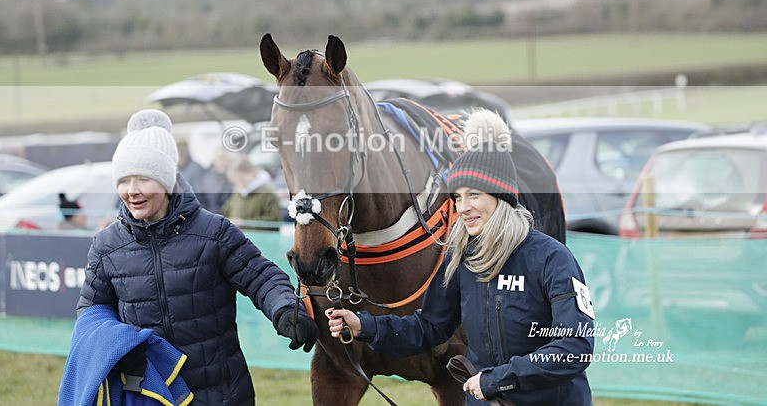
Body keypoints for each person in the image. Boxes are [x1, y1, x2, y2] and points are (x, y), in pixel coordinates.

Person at [327, 109, 594, 405]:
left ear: (501, 196)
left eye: (474, 195)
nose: (462, 207)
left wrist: (498, 380)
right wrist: (364, 325)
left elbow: (576, 346)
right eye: (457, 197)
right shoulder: (460, 260)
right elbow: (428, 328)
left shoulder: (552, 258)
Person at [71, 109, 317, 406]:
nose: (132, 191)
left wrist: (285, 310)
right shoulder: (106, 246)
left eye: (143, 179)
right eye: (123, 181)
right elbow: (91, 310)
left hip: (220, 393)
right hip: (150, 393)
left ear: (165, 180)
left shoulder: (214, 232)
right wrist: (119, 344)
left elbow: (262, 278)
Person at [221, 156, 281, 231]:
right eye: (236, 181)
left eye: (241, 179)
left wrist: (245, 223)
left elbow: (273, 221)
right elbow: (227, 211)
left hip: (260, 239)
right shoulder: (237, 191)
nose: (240, 184)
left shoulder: (267, 193)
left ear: (252, 172)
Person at [196, 147, 233, 214]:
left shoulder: (234, 177)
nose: (222, 161)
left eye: (224, 157)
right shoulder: (206, 178)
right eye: (219, 158)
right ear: (214, 160)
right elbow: (201, 200)